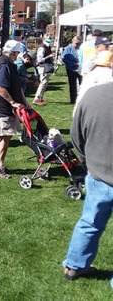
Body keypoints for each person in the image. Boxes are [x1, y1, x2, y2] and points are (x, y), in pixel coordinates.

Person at [62, 81, 113, 285]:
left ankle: (74, 266)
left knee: (90, 222)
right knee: (90, 222)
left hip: (98, 173)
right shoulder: (94, 93)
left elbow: (76, 136)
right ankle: (75, 265)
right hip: (98, 172)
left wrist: (86, 162)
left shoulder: (92, 94)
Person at [0, 40, 28, 179]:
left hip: (8, 109)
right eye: (17, 53)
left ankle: (0, 164)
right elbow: (0, 87)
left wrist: (24, 102)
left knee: (7, 135)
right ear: (14, 53)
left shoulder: (9, 63)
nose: (17, 56)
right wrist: (13, 102)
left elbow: (16, 86)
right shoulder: (4, 64)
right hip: (0, 107)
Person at [33, 37, 54, 106]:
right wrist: (48, 57)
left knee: (45, 82)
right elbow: (39, 60)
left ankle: (40, 98)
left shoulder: (47, 47)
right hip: (42, 67)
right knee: (43, 82)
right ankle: (37, 98)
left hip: (45, 67)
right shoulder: (42, 48)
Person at [62, 36, 82, 104]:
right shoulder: (68, 48)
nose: (77, 45)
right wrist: (73, 63)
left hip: (79, 69)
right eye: (76, 43)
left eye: (79, 44)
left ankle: (80, 99)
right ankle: (73, 100)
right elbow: (64, 59)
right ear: (73, 41)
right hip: (71, 69)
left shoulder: (80, 48)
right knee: (72, 85)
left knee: (81, 84)